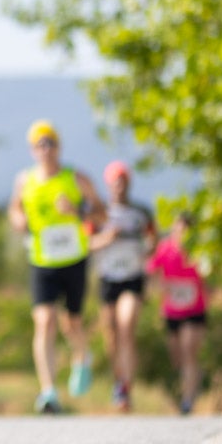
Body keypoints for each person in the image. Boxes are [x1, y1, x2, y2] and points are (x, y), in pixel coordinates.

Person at [8, 120, 106, 414]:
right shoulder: (24, 180)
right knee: (45, 320)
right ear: (32, 150)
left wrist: (76, 210)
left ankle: (83, 356)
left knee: (71, 323)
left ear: (59, 147)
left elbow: (101, 214)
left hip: (74, 259)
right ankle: (48, 391)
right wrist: (19, 221)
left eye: (50, 143)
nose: (46, 149)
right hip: (42, 260)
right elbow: (15, 209)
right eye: (40, 144)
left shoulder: (76, 178)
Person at [89, 160, 156, 412]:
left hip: (132, 276)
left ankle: (127, 386)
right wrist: (107, 238)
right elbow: (86, 242)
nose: (120, 186)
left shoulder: (141, 212)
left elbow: (153, 239)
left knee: (126, 325)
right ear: (109, 184)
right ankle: (118, 382)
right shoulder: (99, 213)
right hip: (108, 278)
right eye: (115, 181)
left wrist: (147, 249)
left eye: (123, 181)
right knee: (112, 335)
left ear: (129, 183)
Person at [145, 211, 207, 415]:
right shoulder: (165, 249)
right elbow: (152, 272)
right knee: (177, 357)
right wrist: (159, 287)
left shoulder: (200, 251)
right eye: (178, 229)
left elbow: (210, 277)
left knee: (189, 350)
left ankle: (188, 399)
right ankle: (193, 377)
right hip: (172, 311)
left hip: (195, 310)